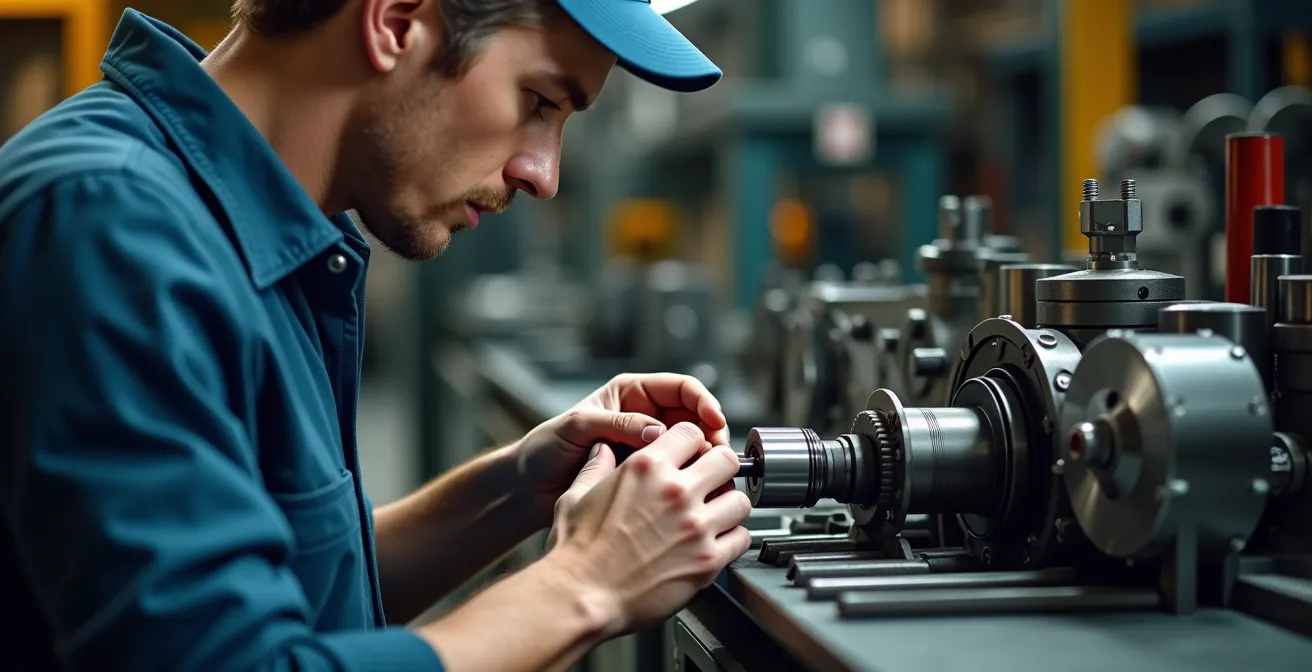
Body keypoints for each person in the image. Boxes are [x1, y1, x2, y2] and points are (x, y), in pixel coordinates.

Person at [0, 1, 752, 670]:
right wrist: (586, 583)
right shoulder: (112, 229)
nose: (543, 174)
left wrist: (516, 487)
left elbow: (298, 586)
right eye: (540, 101)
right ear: (395, 22)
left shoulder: (255, 235)